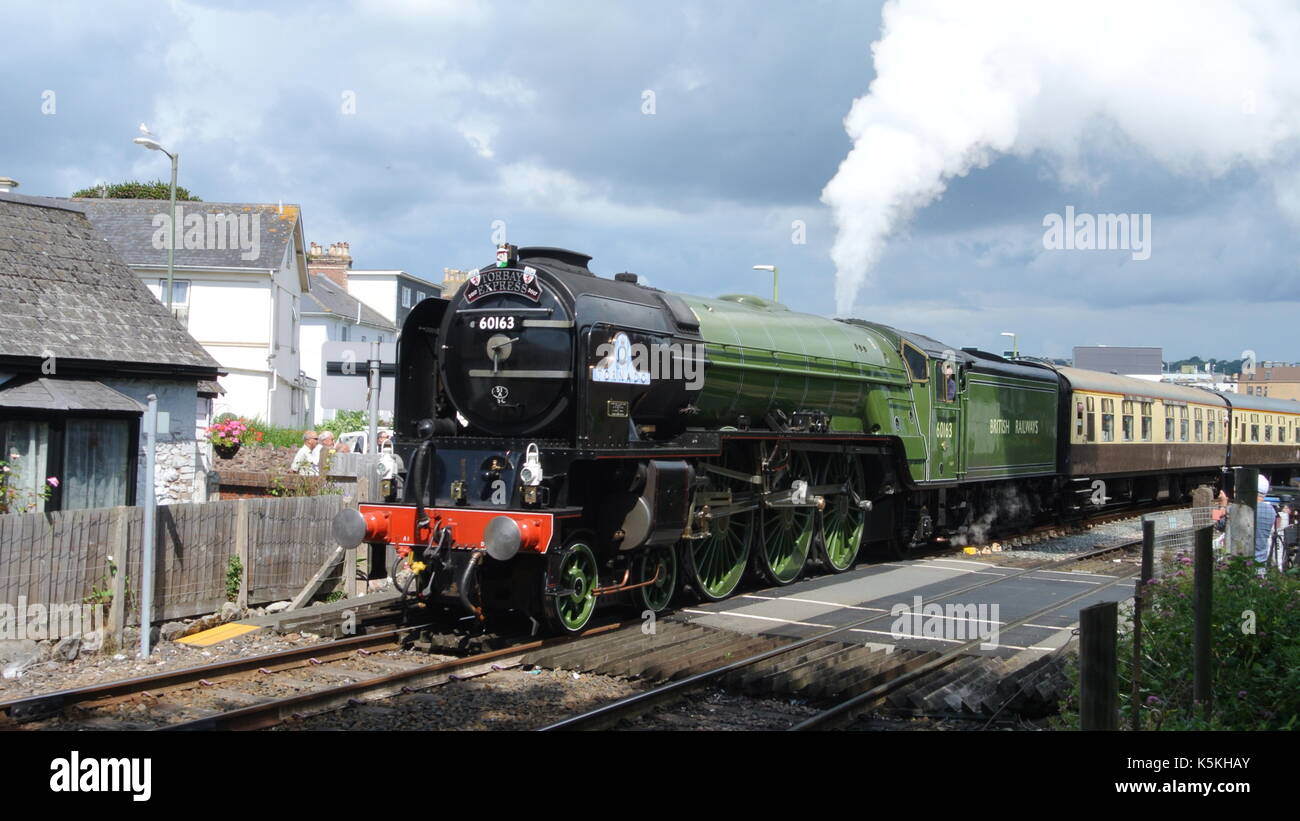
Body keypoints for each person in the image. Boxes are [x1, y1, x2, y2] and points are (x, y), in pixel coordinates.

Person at [1255, 475, 1277, 576]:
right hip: (1260, 564)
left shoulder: (1240, 508)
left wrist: (1222, 506)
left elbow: (1220, 525)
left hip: (1240, 564)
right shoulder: (1271, 511)